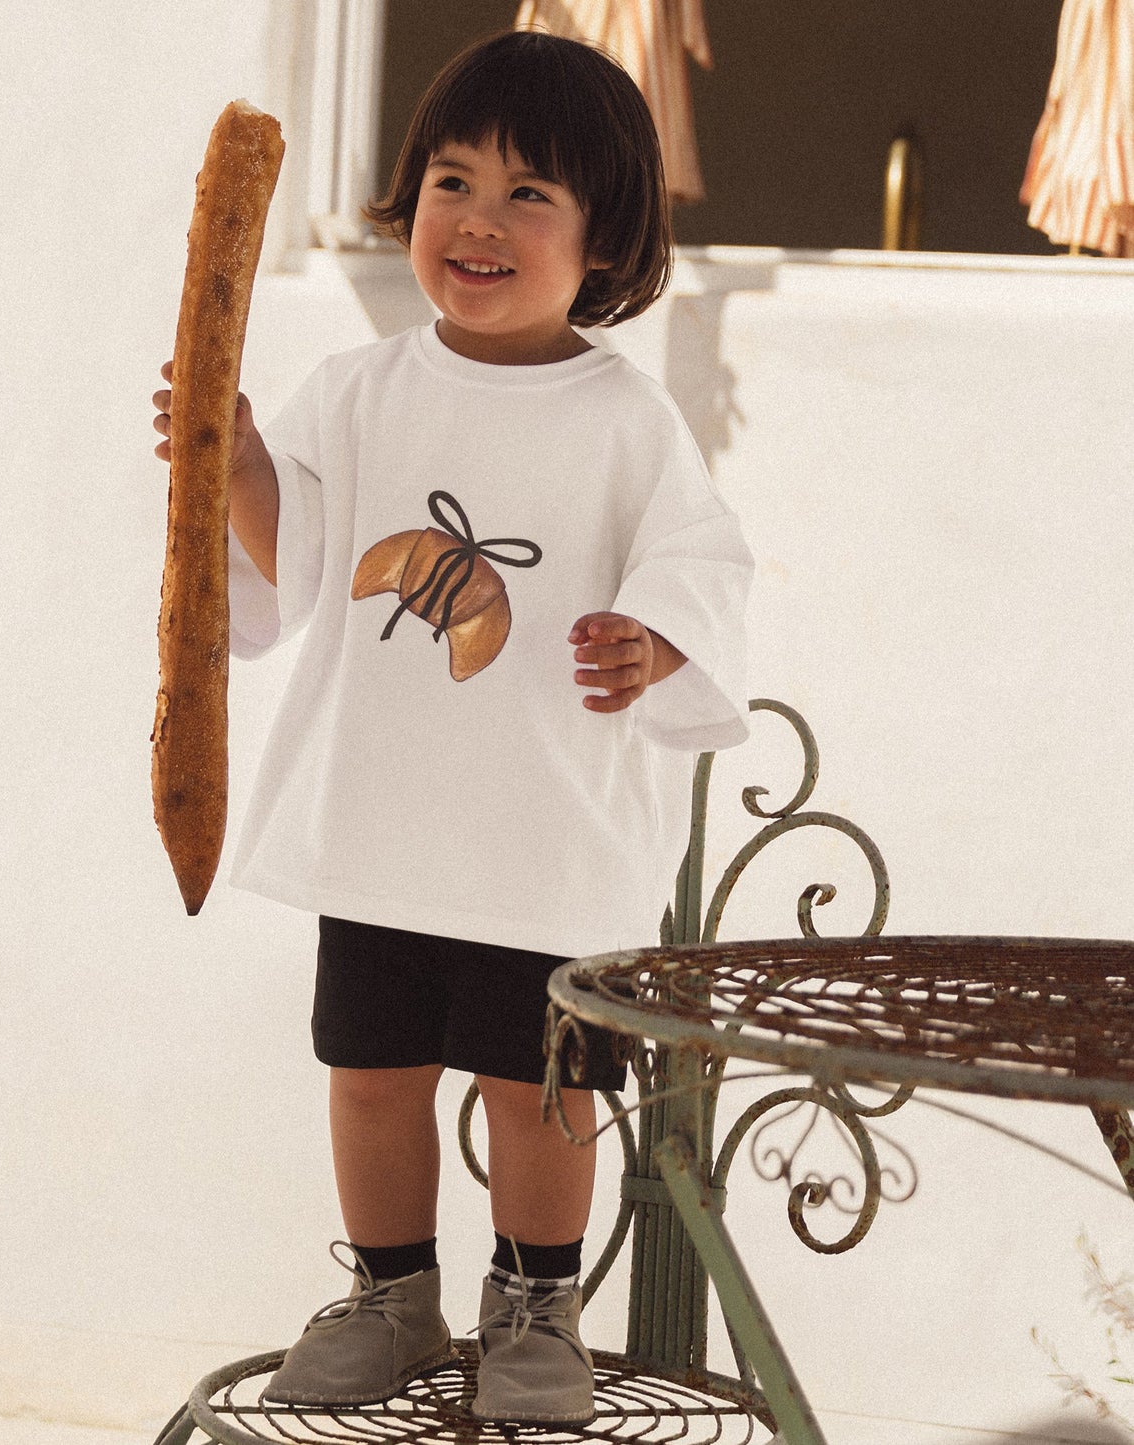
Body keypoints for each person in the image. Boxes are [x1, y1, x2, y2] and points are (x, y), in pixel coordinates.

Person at [153, 30, 753, 1426]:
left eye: (529, 194)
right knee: (370, 1078)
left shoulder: (625, 423)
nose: (478, 220)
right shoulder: (361, 391)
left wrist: (653, 634)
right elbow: (294, 557)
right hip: (382, 819)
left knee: (535, 1093)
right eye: (450, 181)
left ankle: (536, 1305)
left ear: (605, 239)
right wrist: (235, 458)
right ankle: (390, 1290)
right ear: (408, 202)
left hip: (538, 839)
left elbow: (702, 560)